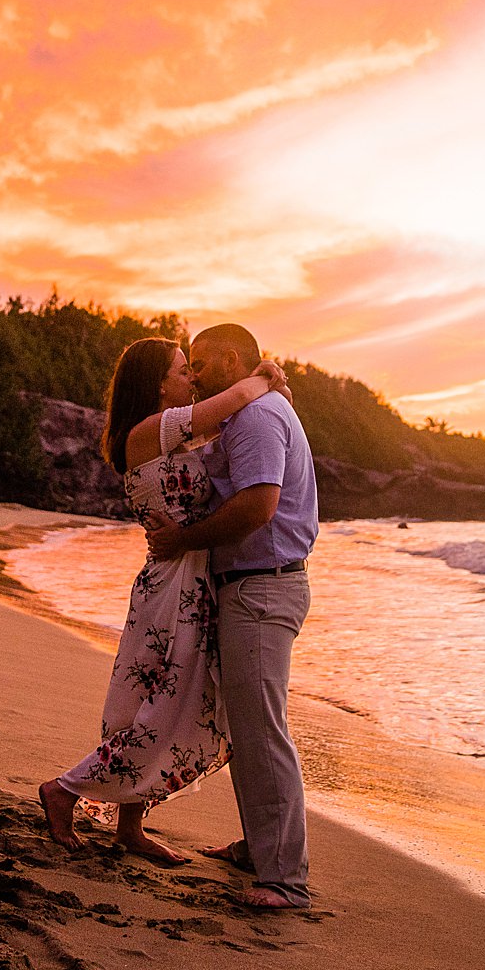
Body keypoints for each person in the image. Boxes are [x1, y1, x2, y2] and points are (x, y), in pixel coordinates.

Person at [39, 336, 291, 865]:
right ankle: (65, 790)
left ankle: (128, 827)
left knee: (146, 700)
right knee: (167, 702)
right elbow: (233, 402)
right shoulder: (151, 430)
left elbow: (233, 435)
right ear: (157, 383)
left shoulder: (168, 438)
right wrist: (266, 375)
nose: (192, 379)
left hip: (181, 577)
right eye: (183, 370)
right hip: (174, 585)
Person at [147, 323, 318, 909]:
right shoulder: (245, 414)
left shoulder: (258, 418)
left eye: (198, 363)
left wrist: (183, 540)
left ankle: (285, 880)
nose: (192, 374)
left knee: (262, 730)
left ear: (227, 359)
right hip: (249, 587)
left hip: (263, 589)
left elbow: (258, 506)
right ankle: (258, 847)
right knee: (248, 726)